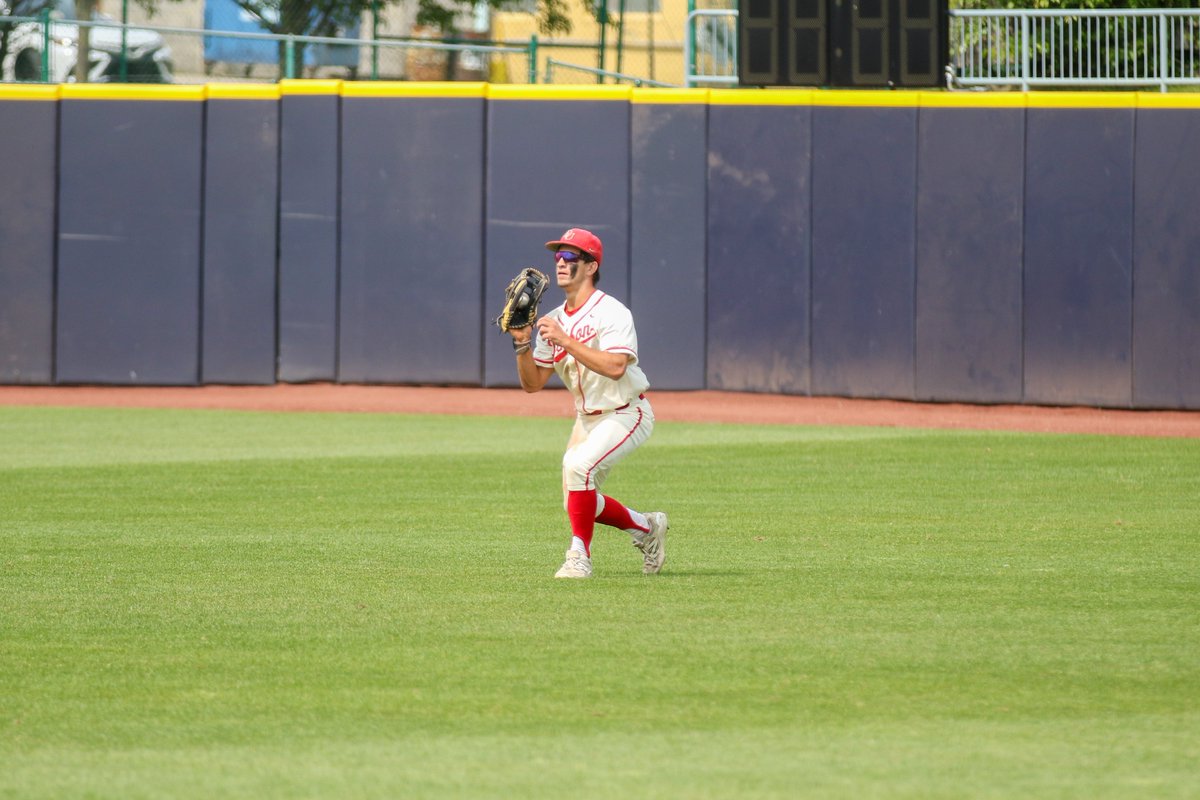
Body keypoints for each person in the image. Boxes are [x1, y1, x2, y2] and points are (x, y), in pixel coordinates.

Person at [507, 227, 669, 579]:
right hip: (587, 419)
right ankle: (646, 528)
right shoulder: (553, 320)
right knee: (577, 498)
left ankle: (579, 556)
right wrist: (521, 344)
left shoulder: (611, 312)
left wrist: (565, 340)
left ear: (591, 266)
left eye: (570, 257)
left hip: (626, 412)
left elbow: (615, 367)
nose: (561, 264)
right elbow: (533, 384)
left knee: (578, 467)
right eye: (558, 257)